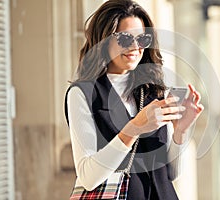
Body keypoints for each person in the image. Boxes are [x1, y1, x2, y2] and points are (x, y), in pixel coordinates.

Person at [64, 0, 203, 199]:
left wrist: (181, 131)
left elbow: (170, 174)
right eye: (125, 39)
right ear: (103, 40)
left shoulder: (152, 91)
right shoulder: (83, 94)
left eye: (142, 39)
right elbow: (88, 177)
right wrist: (135, 127)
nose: (136, 47)